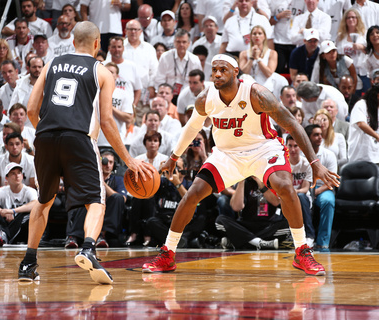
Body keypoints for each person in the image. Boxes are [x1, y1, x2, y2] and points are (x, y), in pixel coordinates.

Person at [142, 53, 339, 275]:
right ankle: (167, 253)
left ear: (236, 72)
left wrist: (315, 163)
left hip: (262, 149)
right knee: (192, 193)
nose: (217, 74)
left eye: (223, 69)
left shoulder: (257, 93)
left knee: (285, 187)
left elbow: (292, 124)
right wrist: (174, 157)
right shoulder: (206, 98)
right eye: (214, 69)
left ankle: (302, 251)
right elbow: (191, 128)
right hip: (227, 154)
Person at [17, 21, 153, 284]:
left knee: (43, 201)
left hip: (44, 137)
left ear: (72, 42)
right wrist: (128, 160)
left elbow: (31, 109)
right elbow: (107, 121)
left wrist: (48, 133)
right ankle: (89, 249)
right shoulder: (102, 71)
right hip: (78, 138)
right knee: (96, 201)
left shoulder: (51, 64)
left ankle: (28, 263)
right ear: (97, 43)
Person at [65, 150, 128, 248]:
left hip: (109, 210)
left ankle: (102, 234)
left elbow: (123, 199)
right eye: (105, 162)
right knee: (83, 199)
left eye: (111, 162)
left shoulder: (118, 179)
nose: (108, 165)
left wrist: (101, 182)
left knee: (117, 197)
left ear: (114, 165)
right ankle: (74, 237)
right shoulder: (90, 177)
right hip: (90, 207)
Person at [215, 176, 287, 250]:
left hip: (267, 225)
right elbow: (236, 207)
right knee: (220, 221)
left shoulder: (271, 181)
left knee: (286, 225)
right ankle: (259, 242)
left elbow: (275, 202)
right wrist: (241, 183)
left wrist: (260, 183)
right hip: (246, 225)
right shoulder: (245, 183)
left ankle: (241, 241)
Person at [126, 130, 168, 246]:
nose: (153, 143)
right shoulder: (138, 159)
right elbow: (132, 179)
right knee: (137, 198)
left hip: (159, 194)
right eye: (150, 140)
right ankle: (133, 233)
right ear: (145, 143)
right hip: (140, 192)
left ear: (159, 143)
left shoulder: (165, 159)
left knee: (149, 198)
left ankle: (148, 235)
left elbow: (167, 180)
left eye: (155, 141)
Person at [0, 163, 37, 246]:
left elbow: (35, 204)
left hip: (22, 228)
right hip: (6, 223)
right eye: (13, 173)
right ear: (6, 178)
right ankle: (1, 235)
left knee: (29, 212)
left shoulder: (30, 191)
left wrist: (12, 211)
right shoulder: (2, 191)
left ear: (22, 176)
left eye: (19, 173)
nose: (17, 176)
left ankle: (3, 237)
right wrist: (1, 211)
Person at [305, 124, 337, 250]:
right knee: (298, 199)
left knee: (328, 201)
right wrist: (309, 192)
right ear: (308, 138)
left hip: (323, 188)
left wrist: (316, 192)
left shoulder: (329, 155)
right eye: (316, 135)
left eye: (320, 134)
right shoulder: (301, 154)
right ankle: (302, 241)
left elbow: (332, 180)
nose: (320, 137)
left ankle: (323, 242)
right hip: (305, 188)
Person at [123, 19, 159, 126]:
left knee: (142, 124)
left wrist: (152, 86)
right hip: (125, 92)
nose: (133, 32)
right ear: (125, 31)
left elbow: (154, 70)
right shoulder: (120, 47)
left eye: (136, 29)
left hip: (144, 93)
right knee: (125, 125)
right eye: (130, 29)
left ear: (140, 31)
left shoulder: (149, 48)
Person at [154, 29, 202, 103]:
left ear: (189, 43)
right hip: (168, 96)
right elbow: (159, 79)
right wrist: (163, 96)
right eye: (178, 42)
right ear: (174, 42)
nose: (181, 45)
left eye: (184, 42)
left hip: (188, 96)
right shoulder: (165, 56)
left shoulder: (194, 59)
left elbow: (198, 81)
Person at [286, 135, 315, 248]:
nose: (293, 150)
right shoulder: (284, 163)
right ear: (286, 147)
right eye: (290, 146)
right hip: (287, 195)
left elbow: (305, 188)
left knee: (301, 197)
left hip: (302, 196)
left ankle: (309, 235)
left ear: (300, 147)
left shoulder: (306, 164)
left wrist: (294, 192)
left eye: (296, 146)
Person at [336, 8, 369, 95]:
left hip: (362, 71)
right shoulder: (340, 36)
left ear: (357, 19)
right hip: (346, 72)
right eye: (348, 17)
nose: (351, 19)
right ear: (345, 20)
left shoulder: (364, 34)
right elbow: (337, 54)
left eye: (353, 17)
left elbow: (371, 51)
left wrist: (361, 47)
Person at [268, 0, 304, 74]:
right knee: (279, 71)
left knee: (294, 71)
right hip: (279, 41)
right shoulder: (275, 2)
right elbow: (269, 22)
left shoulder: (302, 2)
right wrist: (278, 16)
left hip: (295, 42)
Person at [348, 85, 379, 163]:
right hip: (359, 156)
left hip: (375, 156)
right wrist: (377, 136)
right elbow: (361, 124)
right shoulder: (361, 105)